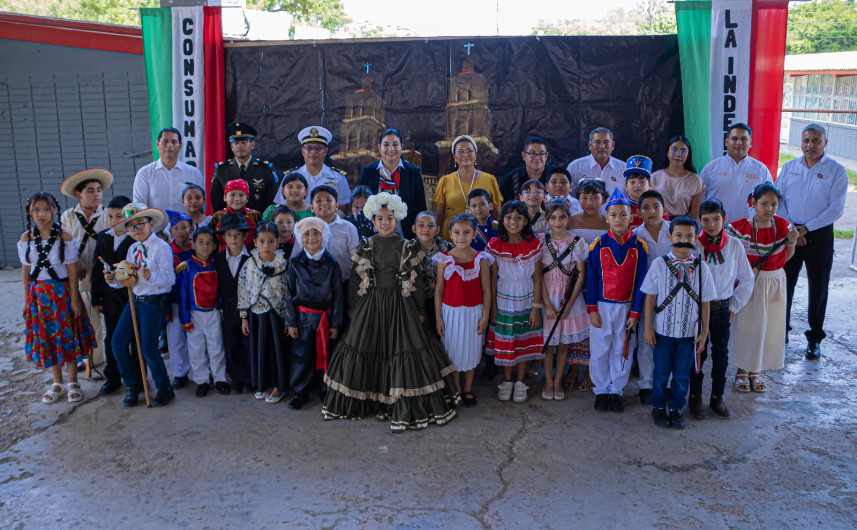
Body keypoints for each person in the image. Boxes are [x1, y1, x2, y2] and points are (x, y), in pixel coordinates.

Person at [322, 192, 460, 432]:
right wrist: (354, 308)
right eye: (379, 218)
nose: (385, 222)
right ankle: (369, 399)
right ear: (372, 221)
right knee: (367, 347)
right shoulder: (366, 245)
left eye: (390, 218)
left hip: (400, 305)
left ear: (398, 220)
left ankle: (400, 401)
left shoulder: (407, 246)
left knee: (402, 349)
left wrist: (419, 310)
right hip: (371, 306)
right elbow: (355, 281)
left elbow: (415, 285)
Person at [779, 123, 849, 361]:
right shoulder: (789, 167)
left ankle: (814, 339)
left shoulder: (836, 170)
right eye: (806, 140)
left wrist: (806, 229)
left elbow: (836, 208)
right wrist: (792, 228)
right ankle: (781, 332)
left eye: (816, 141)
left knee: (818, 286)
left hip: (818, 234)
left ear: (825, 143)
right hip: (790, 232)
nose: (810, 145)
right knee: (784, 283)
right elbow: (778, 199)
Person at [19, 192, 96, 404]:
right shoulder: (26, 238)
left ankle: (73, 382)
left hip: (61, 294)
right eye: (36, 210)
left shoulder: (64, 236)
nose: (41, 214)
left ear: (54, 211)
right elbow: (26, 271)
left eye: (46, 209)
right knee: (47, 338)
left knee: (67, 335)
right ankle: (57, 383)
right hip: (39, 296)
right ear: (30, 212)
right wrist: (26, 300)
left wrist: (74, 299)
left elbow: (72, 270)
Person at [641, 216, 716, 429]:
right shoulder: (659, 265)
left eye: (689, 236)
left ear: (696, 238)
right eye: (679, 235)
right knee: (661, 373)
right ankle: (658, 407)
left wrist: (704, 332)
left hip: (689, 335)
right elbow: (650, 298)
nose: (684, 240)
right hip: (662, 331)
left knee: (683, 375)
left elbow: (706, 302)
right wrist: (648, 328)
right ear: (669, 236)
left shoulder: (702, 268)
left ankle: (676, 407)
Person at [726, 183, 799, 393]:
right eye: (764, 204)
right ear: (753, 203)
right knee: (748, 326)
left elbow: (787, 258)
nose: (769, 209)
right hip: (750, 284)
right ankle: (742, 369)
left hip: (774, 282)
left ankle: (756, 370)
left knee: (768, 327)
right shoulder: (740, 228)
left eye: (773, 205)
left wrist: (792, 243)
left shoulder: (784, 226)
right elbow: (731, 258)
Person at [105, 203, 176, 408]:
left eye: (140, 224)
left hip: (153, 302)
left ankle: (164, 388)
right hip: (134, 299)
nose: (135, 230)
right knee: (117, 342)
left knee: (148, 349)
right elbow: (128, 279)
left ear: (151, 223)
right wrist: (113, 279)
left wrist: (151, 276)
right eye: (130, 226)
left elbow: (169, 279)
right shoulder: (132, 248)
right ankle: (132, 384)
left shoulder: (161, 247)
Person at [586, 187, 648, 414]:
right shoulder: (598, 245)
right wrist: (592, 309)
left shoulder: (639, 246)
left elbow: (642, 282)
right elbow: (591, 279)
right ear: (606, 218)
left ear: (632, 217)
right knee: (601, 348)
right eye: (614, 215)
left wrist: (635, 313)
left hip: (626, 307)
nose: (618, 219)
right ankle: (601, 390)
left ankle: (616, 390)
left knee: (622, 349)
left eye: (623, 214)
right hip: (602, 306)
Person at [691, 198, 754, 419]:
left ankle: (717, 398)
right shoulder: (694, 246)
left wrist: (733, 307)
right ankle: (695, 398)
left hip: (722, 309)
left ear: (725, 219)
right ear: (699, 221)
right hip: (697, 311)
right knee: (698, 353)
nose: (711, 225)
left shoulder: (734, 245)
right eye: (706, 220)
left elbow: (746, 280)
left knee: (721, 355)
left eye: (716, 219)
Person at [485, 200, 545, 403]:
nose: (513, 222)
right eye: (508, 217)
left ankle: (520, 382)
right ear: (502, 221)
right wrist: (492, 308)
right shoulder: (495, 245)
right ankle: (507, 381)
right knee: (507, 342)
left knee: (522, 341)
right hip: (503, 300)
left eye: (518, 218)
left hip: (527, 300)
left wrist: (536, 308)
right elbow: (492, 280)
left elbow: (537, 278)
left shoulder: (534, 245)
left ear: (526, 220)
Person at [284, 217, 344, 410]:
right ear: (300, 237)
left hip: (324, 319)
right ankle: (300, 392)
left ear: (323, 235)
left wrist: (335, 324)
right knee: (301, 356)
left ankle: (325, 389)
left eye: (316, 232)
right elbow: (290, 294)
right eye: (306, 233)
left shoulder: (331, 264)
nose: (311, 237)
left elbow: (337, 296)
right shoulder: (295, 263)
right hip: (302, 320)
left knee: (325, 355)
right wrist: (291, 322)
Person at [433, 214, 492, 407]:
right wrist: (438, 318)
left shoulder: (481, 259)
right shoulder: (445, 259)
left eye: (466, 232)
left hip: (473, 312)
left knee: (472, 351)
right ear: (450, 234)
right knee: (453, 351)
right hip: (450, 313)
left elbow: (486, 290)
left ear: (474, 234)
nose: (461, 237)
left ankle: (468, 388)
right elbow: (439, 289)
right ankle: (456, 388)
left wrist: (485, 316)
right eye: (457, 232)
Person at [59, 168, 112, 376]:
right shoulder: (68, 216)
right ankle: (94, 360)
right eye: (90, 190)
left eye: (99, 190)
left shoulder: (108, 215)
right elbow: (63, 243)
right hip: (81, 279)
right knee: (90, 323)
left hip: (106, 279)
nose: (96, 194)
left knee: (111, 321)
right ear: (79, 194)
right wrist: (75, 262)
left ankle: (115, 359)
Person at [537, 199, 588, 401]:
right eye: (553, 217)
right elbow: (538, 275)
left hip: (569, 297)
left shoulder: (577, 242)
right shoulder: (540, 240)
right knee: (549, 345)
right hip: (546, 295)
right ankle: (548, 381)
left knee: (563, 345)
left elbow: (581, 275)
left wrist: (569, 304)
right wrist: (547, 304)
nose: (558, 222)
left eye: (562, 217)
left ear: (569, 218)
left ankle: (558, 382)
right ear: (546, 219)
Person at [91, 195, 140, 396]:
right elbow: (96, 268)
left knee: (135, 338)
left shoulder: (135, 238)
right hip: (110, 296)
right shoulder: (103, 237)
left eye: (119, 216)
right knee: (112, 336)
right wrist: (97, 297)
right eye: (110, 216)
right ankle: (113, 376)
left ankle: (137, 377)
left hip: (132, 294)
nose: (114, 221)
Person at [238, 223, 289, 404]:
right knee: (260, 349)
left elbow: (287, 292)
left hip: (276, 315)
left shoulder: (282, 264)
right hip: (256, 314)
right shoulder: (250, 263)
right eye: (262, 241)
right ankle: (264, 383)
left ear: (278, 243)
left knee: (277, 351)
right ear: (254, 242)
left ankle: (279, 386)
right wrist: (244, 316)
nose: (266, 246)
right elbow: (243, 289)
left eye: (270, 241)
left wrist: (288, 319)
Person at [566, 178, 609, 390]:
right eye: (584, 197)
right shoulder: (571, 221)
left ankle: (592, 370)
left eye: (595, 197)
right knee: (576, 325)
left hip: (601, 282)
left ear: (604, 199)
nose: (589, 202)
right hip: (573, 280)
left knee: (595, 327)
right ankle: (573, 368)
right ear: (578, 198)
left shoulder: (609, 222)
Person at [176, 226, 229, 397]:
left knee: (216, 347)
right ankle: (201, 380)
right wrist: (185, 318)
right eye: (201, 242)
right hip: (194, 314)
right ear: (193, 244)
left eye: (209, 243)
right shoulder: (186, 267)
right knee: (196, 349)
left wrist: (221, 310)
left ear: (215, 246)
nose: (205, 246)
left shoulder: (218, 265)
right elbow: (183, 295)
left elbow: (222, 290)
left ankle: (220, 378)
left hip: (213, 312)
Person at [632, 190, 671, 404]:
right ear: (638, 213)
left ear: (664, 210)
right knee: (646, 340)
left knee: (668, 341)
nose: (651, 211)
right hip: (646, 298)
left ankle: (666, 382)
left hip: (672, 296)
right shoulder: (636, 235)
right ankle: (646, 384)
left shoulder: (674, 232)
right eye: (645, 208)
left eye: (656, 206)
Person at [357, 128, 427, 238]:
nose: (391, 149)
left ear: (401, 147)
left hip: (405, 235)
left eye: (395, 144)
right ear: (379, 148)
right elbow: (360, 204)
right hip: (374, 235)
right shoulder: (369, 171)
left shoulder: (413, 172)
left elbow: (420, 208)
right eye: (386, 145)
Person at [433, 135, 503, 241]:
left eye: (469, 150)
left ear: (475, 155)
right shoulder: (445, 181)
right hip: (452, 242)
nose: (465, 154)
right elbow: (439, 216)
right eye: (460, 151)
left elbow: (497, 215)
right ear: (454, 156)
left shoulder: (489, 180)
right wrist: (436, 243)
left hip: (483, 240)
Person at [699, 123, 772, 222]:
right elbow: (699, 199)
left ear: (750, 143)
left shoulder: (761, 170)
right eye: (734, 138)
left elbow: (770, 200)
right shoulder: (710, 168)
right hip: (716, 229)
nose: (739, 142)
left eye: (744, 139)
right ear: (726, 141)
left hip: (749, 230)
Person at [213, 213, 252, 393]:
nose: (233, 238)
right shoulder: (218, 260)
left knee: (248, 344)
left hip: (247, 311)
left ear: (244, 236)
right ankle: (236, 378)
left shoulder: (252, 259)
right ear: (223, 237)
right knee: (231, 343)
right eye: (229, 235)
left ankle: (250, 379)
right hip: (227, 310)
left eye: (237, 234)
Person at [293, 185, 359, 291]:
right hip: (311, 287)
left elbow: (356, 259)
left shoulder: (348, 228)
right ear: (312, 207)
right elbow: (296, 258)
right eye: (318, 200)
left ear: (337, 206)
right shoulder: (303, 227)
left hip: (343, 285)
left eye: (328, 200)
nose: (323, 203)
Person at [273, 126, 351, 213]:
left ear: (325, 151)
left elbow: (343, 207)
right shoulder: (290, 177)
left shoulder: (338, 177)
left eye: (318, 148)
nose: (313, 152)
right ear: (303, 151)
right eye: (309, 148)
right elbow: (281, 205)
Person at [211, 121, 279, 213]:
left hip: (258, 223)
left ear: (252, 144)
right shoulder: (222, 170)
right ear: (231, 146)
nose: (240, 146)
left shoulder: (265, 169)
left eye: (244, 142)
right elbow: (216, 200)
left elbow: (271, 201)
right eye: (236, 143)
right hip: (229, 223)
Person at [133, 127, 204, 213]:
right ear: (157, 144)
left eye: (174, 142)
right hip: (156, 227)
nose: (169, 145)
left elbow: (200, 207)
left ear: (180, 146)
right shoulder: (144, 173)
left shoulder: (194, 173)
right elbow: (139, 208)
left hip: (187, 226)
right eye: (165, 141)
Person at [164, 210, 193, 389]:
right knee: (176, 338)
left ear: (191, 229)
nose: (181, 231)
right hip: (175, 300)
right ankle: (180, 372)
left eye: (185, 227)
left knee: (197, 336)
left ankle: (202, 369)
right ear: (171, 231)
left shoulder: (198, 246)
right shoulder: (166, 250)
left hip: (196, 300)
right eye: (176, 228)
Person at [413, 211, 453, 336]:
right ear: (414, 228)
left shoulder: (447, 248)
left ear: (437, 229)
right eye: (421, 225)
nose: (426, 229)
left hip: (441, 297)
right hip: (415, 298)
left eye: (431, 226)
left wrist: (441, 284)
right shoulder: (408, 249)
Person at [651, 135, 704, 218]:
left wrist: (682, 227)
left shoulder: (696, 180)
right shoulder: (654, 177)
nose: (678, 154)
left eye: (683, 151)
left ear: (688, 154)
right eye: (674, 150)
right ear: (668, 152)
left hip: (684, 225)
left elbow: (695, 211)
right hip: (659, 224)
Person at [566, 127, 626, 198]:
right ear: (590, 145)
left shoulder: (624, 169)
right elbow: (569, 196)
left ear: (612, 145)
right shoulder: (575, 167)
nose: (602, 146)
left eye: (606, 142)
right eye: (597, 142)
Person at [208, 179, 262, 251]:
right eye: (232, 194)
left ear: (247, 198)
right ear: (225, 197)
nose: (237, 198)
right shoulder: (217, 217)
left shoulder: (255, 216)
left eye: (241, 195)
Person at [500, 136, 552, 204]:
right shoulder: (511, 179)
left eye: (541, 153)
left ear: (546, 156)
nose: (537, 157)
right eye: (532, 153)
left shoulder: (554, 178)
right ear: (524, 155)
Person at [623, 155, 655, 229]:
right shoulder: (620, 207)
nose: (637, 185)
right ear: (626, 186)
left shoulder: (657, 207)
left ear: (650, 185)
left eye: (642, 181)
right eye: (632, 182)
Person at [468, 188, 498, 253]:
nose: (478, 208)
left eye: (482, 204)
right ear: (469, 210)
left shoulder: (497, 226)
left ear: (491, 206)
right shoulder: (468, 228)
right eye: (474, 205)